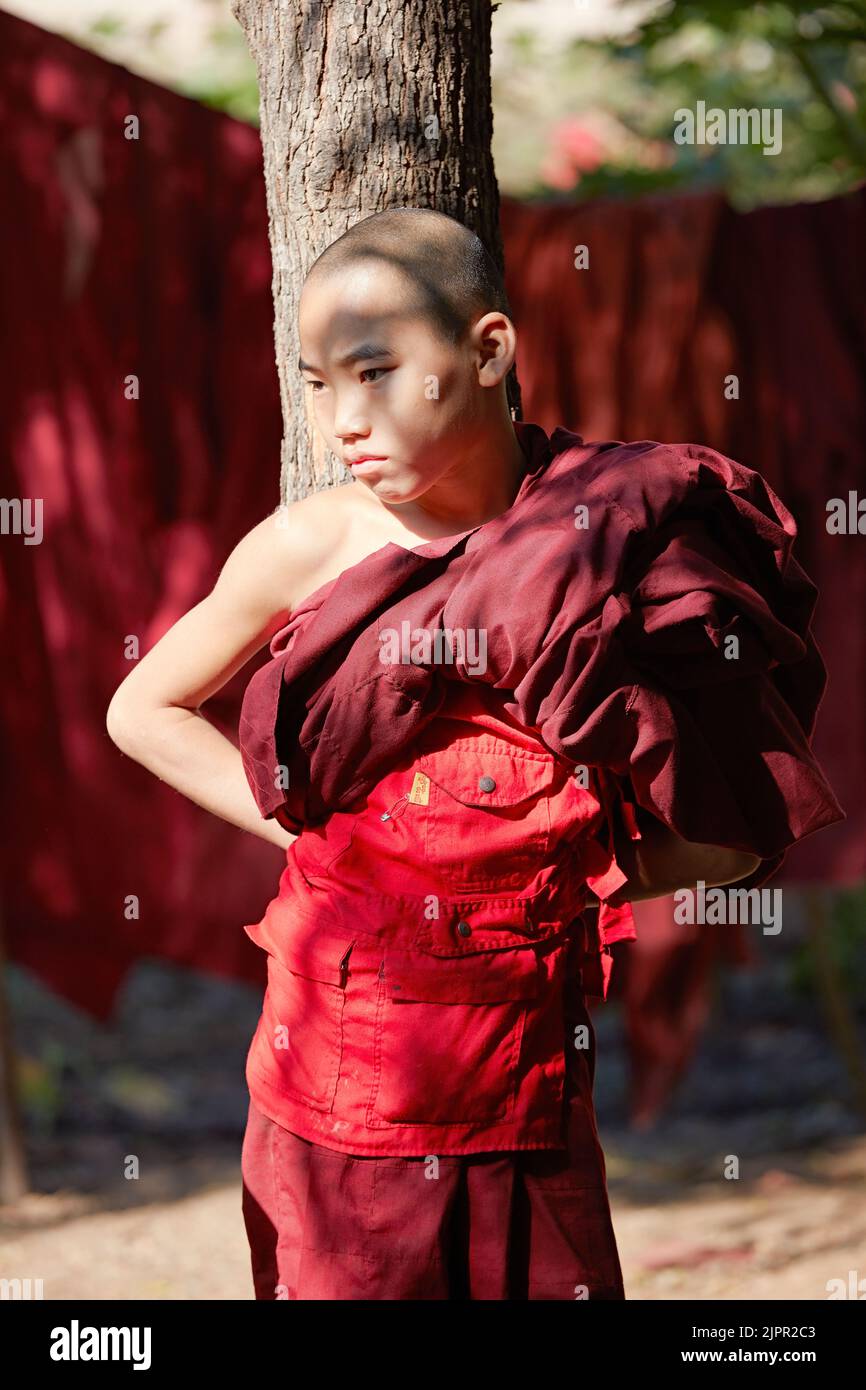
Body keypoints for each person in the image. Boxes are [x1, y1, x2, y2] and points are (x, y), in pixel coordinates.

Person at [106, 207, 843, 1300]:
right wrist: (315, 831)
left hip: (528, 1073)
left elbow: (735, 821)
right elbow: (144, 708)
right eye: (315, 383)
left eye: (375, 371)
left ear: (489, 350)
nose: (341, 420)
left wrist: (564, 877)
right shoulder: (315, 543)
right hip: (340, 1079)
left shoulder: (609, 534)